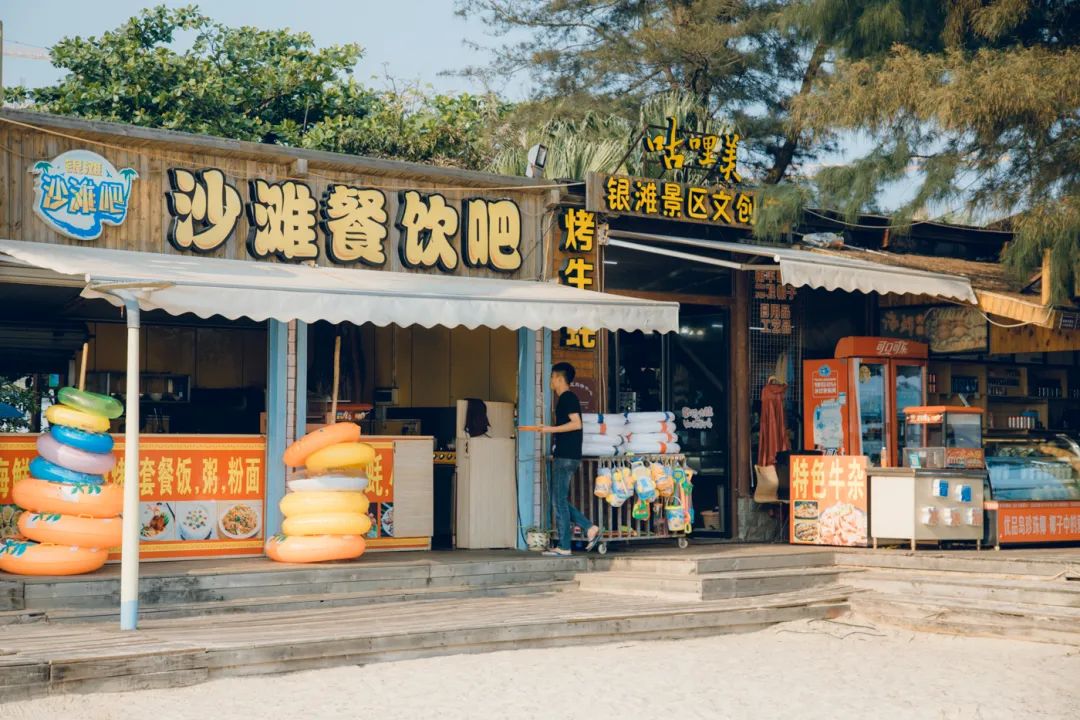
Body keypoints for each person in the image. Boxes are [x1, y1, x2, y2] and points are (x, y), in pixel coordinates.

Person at [525, 362, 601, 556]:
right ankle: (589, 528)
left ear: (559, 378)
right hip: (569, 455)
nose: (550, 381)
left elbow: (576, 424)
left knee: (558, 501)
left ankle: (566, 546)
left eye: (552, 377)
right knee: (558, 500)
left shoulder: (567, 398)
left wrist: (549, 429)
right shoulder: (567, 398)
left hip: (566, 456)